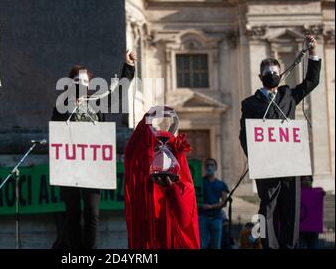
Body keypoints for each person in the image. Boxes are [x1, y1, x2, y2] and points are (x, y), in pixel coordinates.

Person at [239, 35, 321, 249]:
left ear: (281, 74)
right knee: (267, 208)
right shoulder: (249, 104)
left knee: (291, 208)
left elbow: (312, 81)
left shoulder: (289, 95)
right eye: (268, 73)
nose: (273, 75)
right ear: (260, 76)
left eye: (276, 72)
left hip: (290, 164)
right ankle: (268, 246)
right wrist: (254, 156)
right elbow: (243, 135)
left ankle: (289, 246)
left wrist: (312, 53)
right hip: (266, 166)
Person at [51, 51, 136, 249]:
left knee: (92, 213)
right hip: (70, 164)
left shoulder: (97, 103)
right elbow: (56, 126)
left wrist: (128, 67)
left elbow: (118, 93)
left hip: (92, 165)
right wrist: (71, 106)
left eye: (84, 81)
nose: (81, 84)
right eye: (76, 81)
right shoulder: (62, 105)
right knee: (72, 214)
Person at [124, 107, 201, 249]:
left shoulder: (185, 187)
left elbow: (184, 221)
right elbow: (130, 154)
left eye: (169, 152)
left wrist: (171, 190)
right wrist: (145, 122)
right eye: (156, 151)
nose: (163, 157)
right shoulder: (145, 185)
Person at [198, 158, 229, 249]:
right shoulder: (199, 182)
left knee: (216, 246)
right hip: (202, 218)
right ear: (204, 167)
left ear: (216, 168)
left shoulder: (222, 184)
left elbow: (224, 202)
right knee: (202, 245)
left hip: (216, 218)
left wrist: (210, 207)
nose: (209, 167)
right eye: (207, 165)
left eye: (212, 165)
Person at [299, 175, 326, 249]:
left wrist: (321, 193)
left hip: (313, 230)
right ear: (301, 182)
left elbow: (321, 192)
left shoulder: (317, 192)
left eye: (308, 180)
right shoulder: (297, 194)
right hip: (300, 230)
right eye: (304, 180)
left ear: (311, 182)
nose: (307, 181)